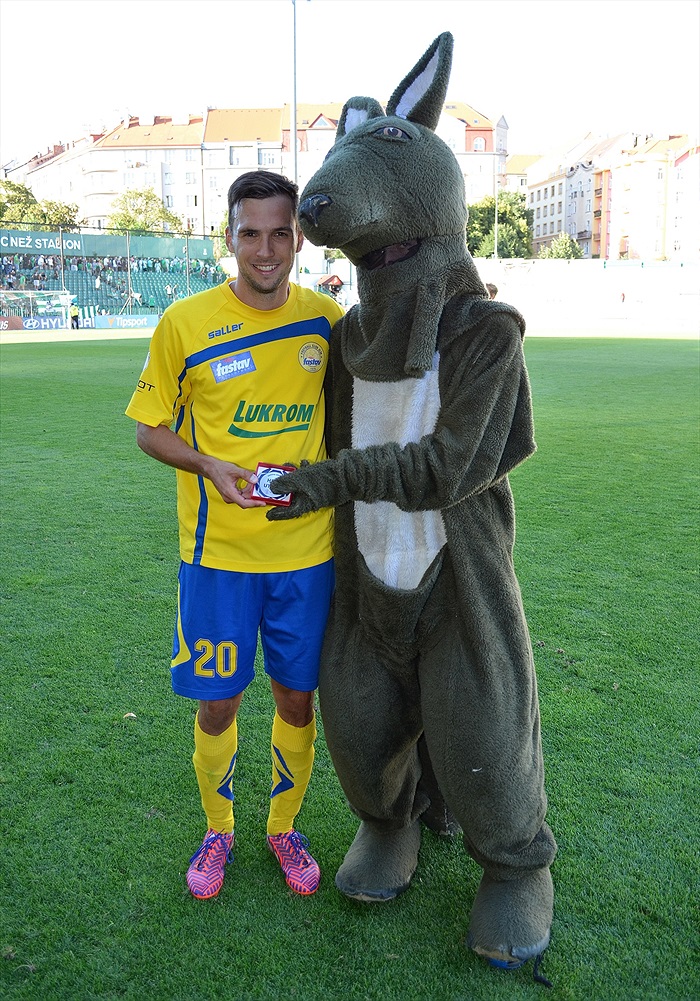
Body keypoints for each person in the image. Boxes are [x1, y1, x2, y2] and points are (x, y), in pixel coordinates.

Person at [125, 170, 343, 901]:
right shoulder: (185, 324)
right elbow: (149, 431)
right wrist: (208, 464)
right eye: (251, 233)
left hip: (307, 556)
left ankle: (283, 825)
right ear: (229, 237)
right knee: (217, 702)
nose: (266, 249)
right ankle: (218, 827)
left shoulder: (326, 324)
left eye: (281, 232)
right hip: (215, 558)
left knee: (296, 698)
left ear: (298, 238)